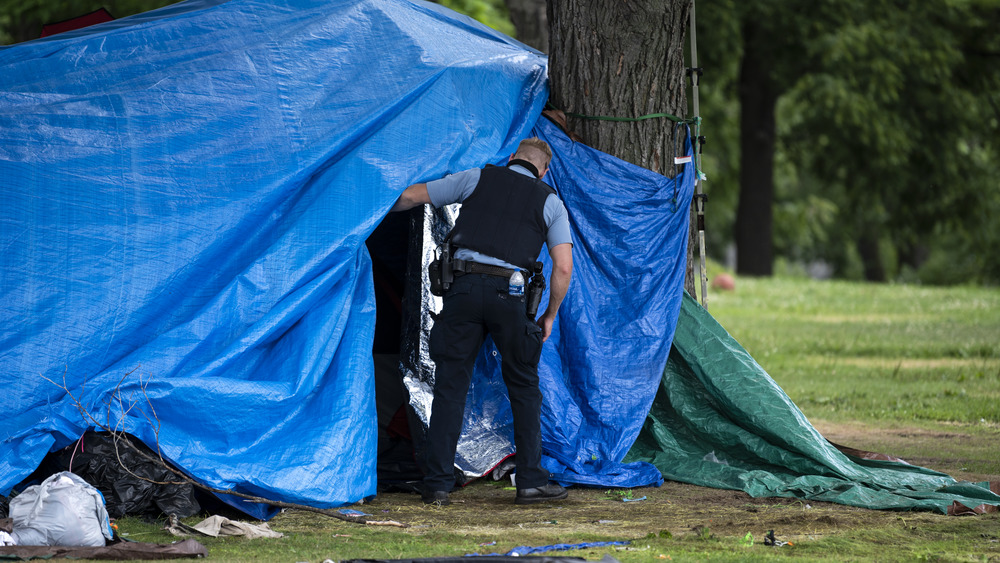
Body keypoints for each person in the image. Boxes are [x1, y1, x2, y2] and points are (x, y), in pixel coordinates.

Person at [391, 137, 573, 505]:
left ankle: (438, 485)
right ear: (545, 170)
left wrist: (363, 211)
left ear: (511, 159)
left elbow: (411, 196)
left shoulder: (477, 178)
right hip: (512, 296)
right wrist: (550, 315)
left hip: (464, 290)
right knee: (524, 387)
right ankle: (531, 482)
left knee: (450, 386)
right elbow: (563, 268)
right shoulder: (551, 202)